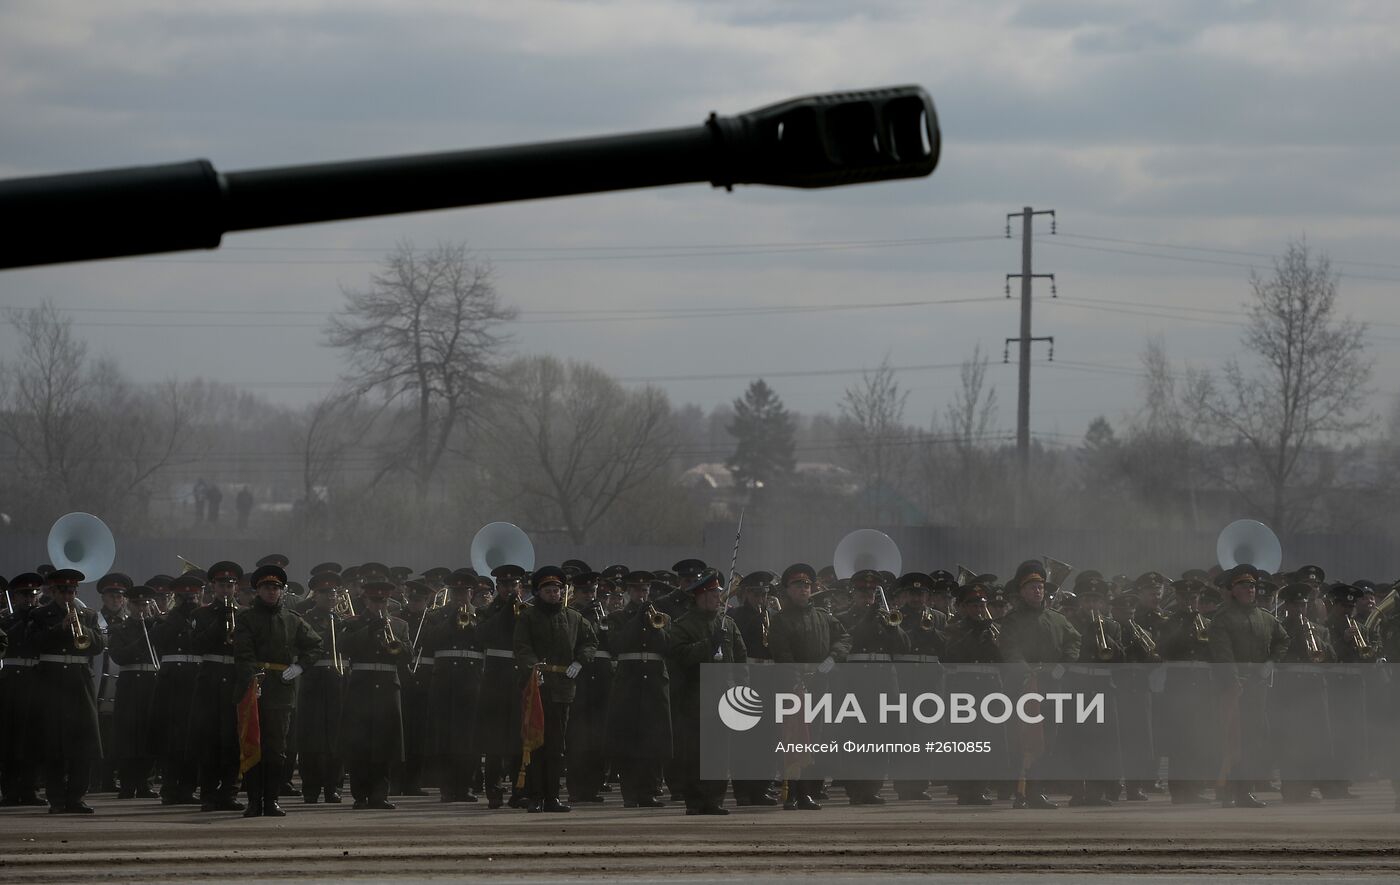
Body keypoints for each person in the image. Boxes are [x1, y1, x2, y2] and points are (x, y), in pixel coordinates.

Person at [232, 564, 323, 817]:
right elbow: (243, 653)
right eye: (266, 588)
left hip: (282, 689)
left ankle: (271, 800)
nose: (272, 592)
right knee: (253, 744)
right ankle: (253, 801)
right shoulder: (246, 618)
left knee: (276, 748)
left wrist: (300, 667)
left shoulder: (293, 619)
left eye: (276, 588)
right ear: (258, 590)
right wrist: (252, 680)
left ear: (281, 591)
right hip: (255, 687)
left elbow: (316, 645)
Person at [512, 566, 597, 813]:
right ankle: (536, 796)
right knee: (536, 744)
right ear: (538, 593)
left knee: (557, 747)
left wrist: (580, 661)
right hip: (537, 688)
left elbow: (590, 641)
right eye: (548, 590)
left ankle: (552, 797)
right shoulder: (528, 617)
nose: (553, 594)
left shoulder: (574, 618)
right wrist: (532, 667)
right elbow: (522, 646)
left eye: (557, 590)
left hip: (563, 688)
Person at [999, 559, 1081, 810]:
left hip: (1050, 685)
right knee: (1022, 737)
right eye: (1031, 587)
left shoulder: (1056, 619)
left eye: (1040, 586)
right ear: (1021, 592)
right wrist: (1025, 672)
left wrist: (1062, 666)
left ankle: (1037, 790)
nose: (1037, 591)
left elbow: (1074, 641)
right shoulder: (1012, 621)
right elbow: (1010, 649)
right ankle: (1019, 791)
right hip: (1023, 686)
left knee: (1048, 738)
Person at [768, 562, 850, 811]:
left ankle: (808, 793)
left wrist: (832, 658)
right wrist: (797, 678)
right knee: (793, 737)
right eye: (797, 585)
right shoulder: (781, 620)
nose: (803, 589)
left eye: (806, 585)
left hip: (820, 682)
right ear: (788, 590)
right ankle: (790, 792)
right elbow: (781, 652)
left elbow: (844, 638)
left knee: (815, 736)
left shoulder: (824, 617)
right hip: (792, 685)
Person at [1208, 563, 1289, 809]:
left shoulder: (1265, 618)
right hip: (1233, 687)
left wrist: (1272, 662)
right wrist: (1233, 680)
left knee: (1253, 738)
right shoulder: (1223, 617)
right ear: (1233, 589)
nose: (1250, 589)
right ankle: (1225, 791)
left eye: (1253, 585)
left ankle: (1244, 791)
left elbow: (1283, 639)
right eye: (1244, 585)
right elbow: (1223, 652)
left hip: (1257, 687)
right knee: (1231, 739)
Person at [666, 567, 745, 815]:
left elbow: (740, 658)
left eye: (719, 594)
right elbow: (679, 655)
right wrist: (707, 645)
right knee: (694, 753)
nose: (718, 599)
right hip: (695, 697)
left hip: (724, 695)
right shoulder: (683, 625)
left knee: (720, 751)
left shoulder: (728, 624)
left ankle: (715, 799)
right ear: (700, 596)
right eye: (713, 594)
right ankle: (695, 800)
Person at [32, 568, 105, 813]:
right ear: (52, 591)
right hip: (52, 683)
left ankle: (76, 797)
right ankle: (56, 799)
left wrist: (83, 626)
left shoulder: (88, 614)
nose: (68, 595)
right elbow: (34, 643)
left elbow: (99, 645)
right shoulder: (40, 614)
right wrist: (60, 628)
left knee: (82, 743)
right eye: (63, 591)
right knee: (54, 743)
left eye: (72, 591)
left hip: (80, 683)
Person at [606, 569, 673, 809]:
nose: (641, 594)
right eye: (636, 590)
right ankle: (631, 793)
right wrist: (637, 620)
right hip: (629, 685)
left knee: (653, 741)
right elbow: (617, 644)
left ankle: (649, 791)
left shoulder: (661, 617)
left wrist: (655, 626)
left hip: (654, 684)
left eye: (645, 590)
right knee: (629, 741)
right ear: (628, 592)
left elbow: (668, 647)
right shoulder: (616, 618)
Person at [339, 581, 408, 810]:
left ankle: (380, 794)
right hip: (361, 688)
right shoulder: (354, 623)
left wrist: (392, 637)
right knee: (360, 744)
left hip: (388, 688)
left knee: (385, 744)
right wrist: (369, 629)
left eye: (383, 600)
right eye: (375, 600)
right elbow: (344, 646)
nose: (380, 604)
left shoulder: (399, 625)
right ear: (366, 601)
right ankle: (360, 795)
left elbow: (407, 654)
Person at [427, 569, 484, 803]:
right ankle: (447, 787)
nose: (460, 596)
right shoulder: (436, 615)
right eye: (456, 592)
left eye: (464, 592)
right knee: (445, 736)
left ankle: (466, 786)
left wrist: (473, 625)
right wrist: (450, 620)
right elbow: (428, 642)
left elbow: (486, 641)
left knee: (468, 736)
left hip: (471, 679)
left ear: (471, 593)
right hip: (444, 679)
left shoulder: (481, 615)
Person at [192, 561, 245, 812]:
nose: (226, 590)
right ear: (213, 586)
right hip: (210, 680)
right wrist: (219, 620)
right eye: (222, 585)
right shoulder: (201, 614)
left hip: (235, 679)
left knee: (233, 740)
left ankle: (230, 792)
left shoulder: (245, 614)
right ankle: (209, 794)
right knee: (209, 739)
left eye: (230, 585)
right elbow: (198, 645)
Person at [149, 572, 206, 805]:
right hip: (172, 685)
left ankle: (188, 788)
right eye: (185, 598)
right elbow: (158, 640)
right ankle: (170, 788)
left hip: (196, 683)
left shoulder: (205, 618)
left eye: (194, 596)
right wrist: (176, 616)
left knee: (194, 739)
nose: (190, 601)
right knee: (173, 740)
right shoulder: (165, 619)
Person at [476, 564, 529, 809]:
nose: (510, 589)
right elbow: (484, 635)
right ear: (498, 587)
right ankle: (494, 791)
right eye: (506, 585)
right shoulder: (487, 611)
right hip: (496, 681)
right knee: (495, 740)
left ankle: (520, 791)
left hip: (519, 679)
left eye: (514, 585)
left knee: (520, 738)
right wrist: (506, 611)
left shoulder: (527, 611)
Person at [106, 585, 163, 799]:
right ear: (129, 605)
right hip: (130, 683)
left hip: (152, 682)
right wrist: (143, 638)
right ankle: (128, 784)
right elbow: (119, 656)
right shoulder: (120, 628)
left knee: (149, 733)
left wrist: (157, 623)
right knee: (128, 735)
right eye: (137, 604)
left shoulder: (156, 625)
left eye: (145, 604)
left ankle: (146, 782)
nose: (142, 607)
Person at [297, 573, 347, 803]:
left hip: (337, 681)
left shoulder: (342, 621)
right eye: (325, 593)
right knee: (312, 738)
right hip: (313, 681)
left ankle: (332, 786)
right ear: (316, 595)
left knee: (336, 737)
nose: (331, 596)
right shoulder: (305, 619)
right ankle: (311, 788)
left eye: (334, 593)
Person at [0, 573, 47, 807]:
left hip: (35, 681)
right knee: (10, 738)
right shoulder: (6, 620)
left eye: (33, 594)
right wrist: (23, 619)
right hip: (11, 681)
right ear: (15, 597)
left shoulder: (43, 618)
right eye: (24, 595)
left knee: (32, 738)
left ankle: (29, 788)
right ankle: (9, 790)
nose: (30, 599)